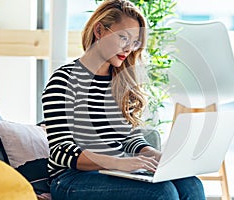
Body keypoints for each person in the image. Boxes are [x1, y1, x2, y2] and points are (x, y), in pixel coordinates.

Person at [42, 0, 206, 199]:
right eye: (123, 37)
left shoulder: (121, 81)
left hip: (114, 172)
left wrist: (158, 158)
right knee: (162, 193)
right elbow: (61, 150)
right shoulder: (64, 80)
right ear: (99, 30)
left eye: (135, 42)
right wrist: (118, 162)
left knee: (190, 183)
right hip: (71, 179)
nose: (129, 48)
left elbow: (129, 138)